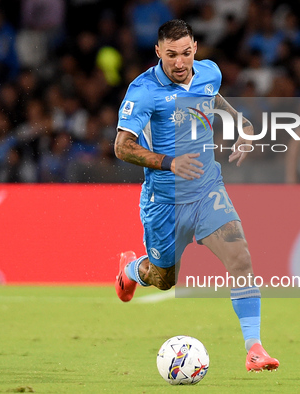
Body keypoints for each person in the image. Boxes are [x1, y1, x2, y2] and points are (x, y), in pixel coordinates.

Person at [114, 19, 279, 372]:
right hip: (164, 203)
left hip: (207, 191)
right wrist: (168, 162)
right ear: (158, 52)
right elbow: (121, 147)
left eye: (186, 53)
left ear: (195, 49)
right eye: (171, 54)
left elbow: (213, 98)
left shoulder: (209, 73)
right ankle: (130, 269)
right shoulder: (142, 91)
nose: (179, 62)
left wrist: (243, 126)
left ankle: (254, 349)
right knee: (164, 280)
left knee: (241, 259)